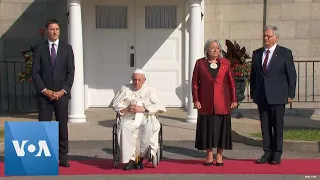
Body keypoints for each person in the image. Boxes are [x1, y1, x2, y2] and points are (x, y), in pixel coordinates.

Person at [250, 25, 297, 165]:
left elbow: (292, 75)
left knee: (277, 126)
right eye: (264, 35)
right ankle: (267, 152)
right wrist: (253, 93)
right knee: (265, 126)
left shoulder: (285, 53)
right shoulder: (257, 53)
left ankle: (277, 153)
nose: (265, 38)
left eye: (268, 36)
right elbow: (254, 76)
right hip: (262, 96)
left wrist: (290, 94)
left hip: (278, 96)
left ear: (276, 38)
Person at [32, 19, 75, 167]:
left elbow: (70, 72)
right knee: (44, 126)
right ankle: (44, 156)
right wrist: (45, 90)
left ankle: (63, 157)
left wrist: (63, 91)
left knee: (62, 126)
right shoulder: (39, 49)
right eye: (52, 29)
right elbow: (35, 73)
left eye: (57, 29)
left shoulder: (67, 48)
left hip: (61, 95)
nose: (55, 32)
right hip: (45, 96)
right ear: (46, 31)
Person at [192, 38, 238, 166]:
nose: (215, 50)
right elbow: (195, 83)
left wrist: (234, 99)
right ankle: (209, 155)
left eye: (217, 48)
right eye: (212, 47)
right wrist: (196, 99)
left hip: (222, 102)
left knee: (221, 130)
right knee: (207, 129)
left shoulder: (225, 63)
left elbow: (232, 82)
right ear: (207, 49)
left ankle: (219, 155)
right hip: (205, 102)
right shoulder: (200, 63)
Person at [112, 69, 166, 170]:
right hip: (129, 118)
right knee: (124, 127)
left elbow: (160, 107)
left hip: (147, 117)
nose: (137, 82)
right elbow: (115, 106)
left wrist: (143, 109)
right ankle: (131, 158)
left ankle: (140, 158)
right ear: (132, 79)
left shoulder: (151, 90)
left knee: (149, 128)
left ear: (144, 80)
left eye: (139, 80)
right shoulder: (125, 89)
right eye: (135, 80)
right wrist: (127, 109)